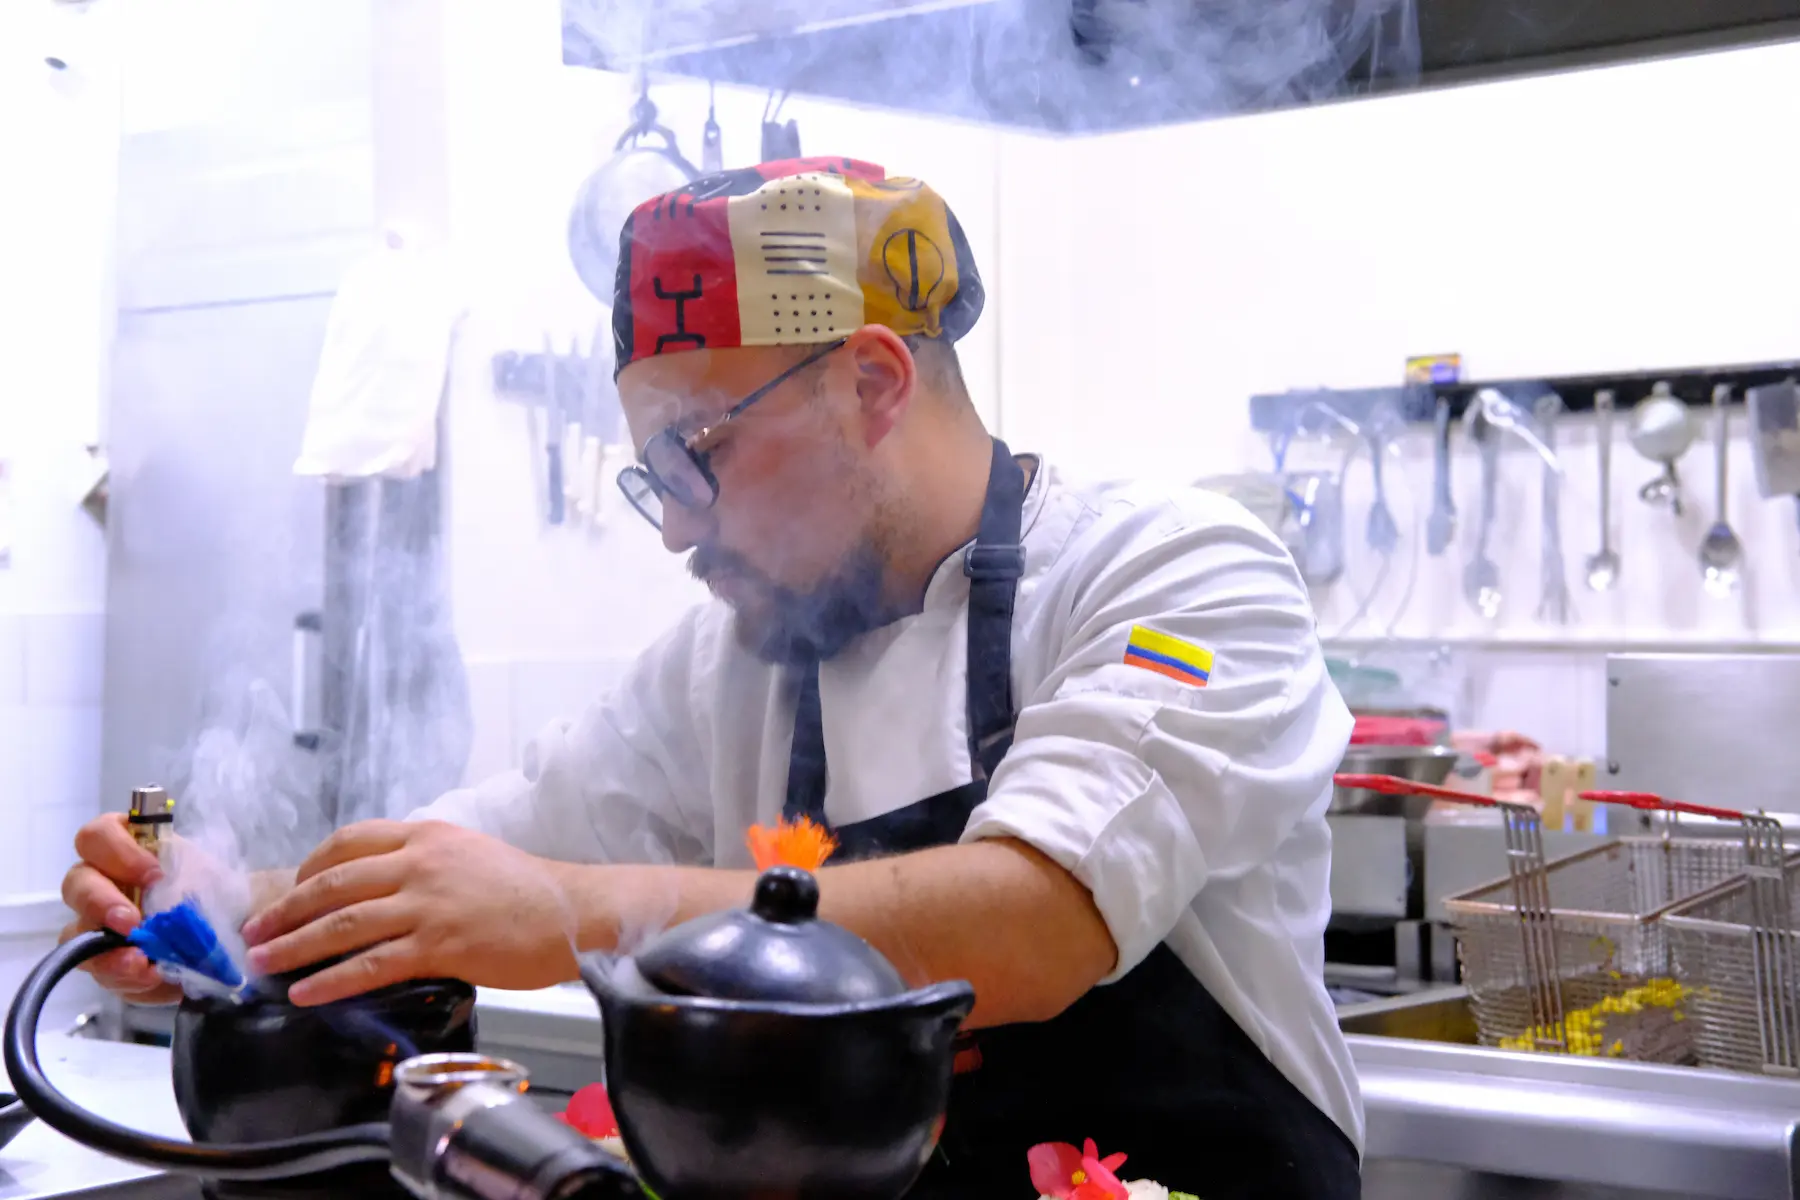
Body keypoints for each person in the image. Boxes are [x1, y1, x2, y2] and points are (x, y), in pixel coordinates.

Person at [61, 157, 1361, 1198]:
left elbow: (1035, 922)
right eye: (652, 481)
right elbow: (488, 843)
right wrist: (238, 913)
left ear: (871, 381)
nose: (677, 528)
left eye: (697, 457)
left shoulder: (1182, 579)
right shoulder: (735, 660)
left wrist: (563, 913)